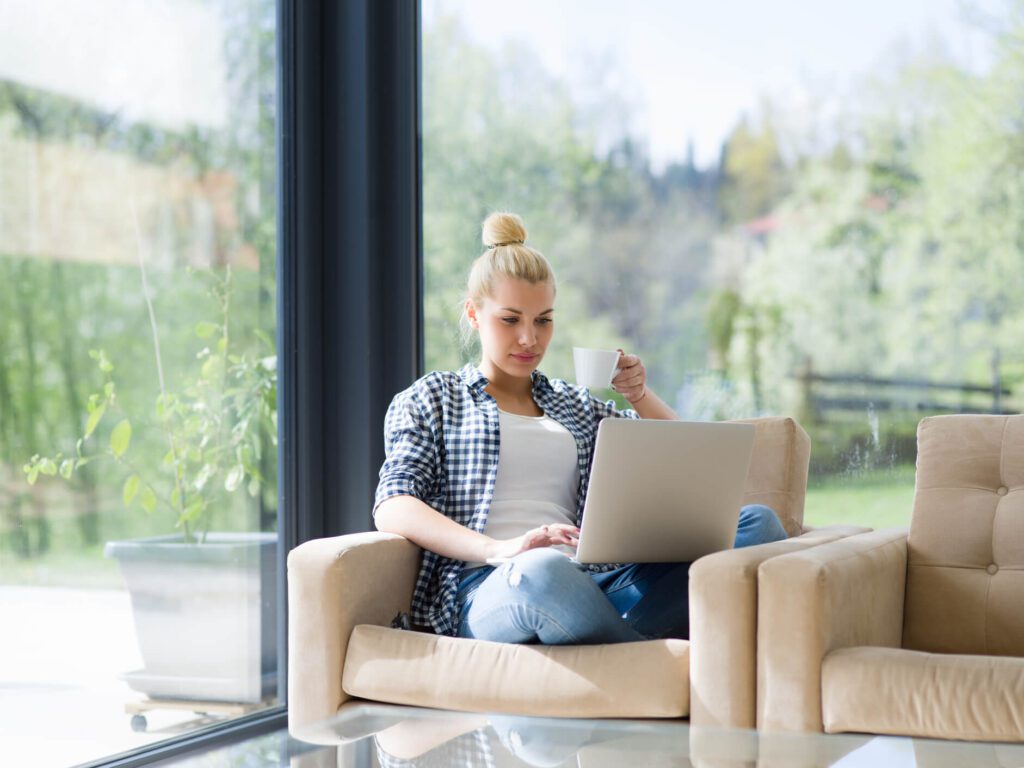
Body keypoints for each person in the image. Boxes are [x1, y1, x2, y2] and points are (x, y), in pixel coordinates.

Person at [374, 212, 788, 645]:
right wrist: (501, 549)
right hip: (493, 584)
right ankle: (643, 657)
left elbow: (690, 455)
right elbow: (393, 505)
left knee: (758, 525)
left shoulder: (572, 403)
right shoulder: (434, 397)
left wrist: (639, 395)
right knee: (541, 573)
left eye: (543, 320)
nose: (530, 339)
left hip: (596, 581)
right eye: (511, 320)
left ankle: (612, 640)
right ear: (474, 315)